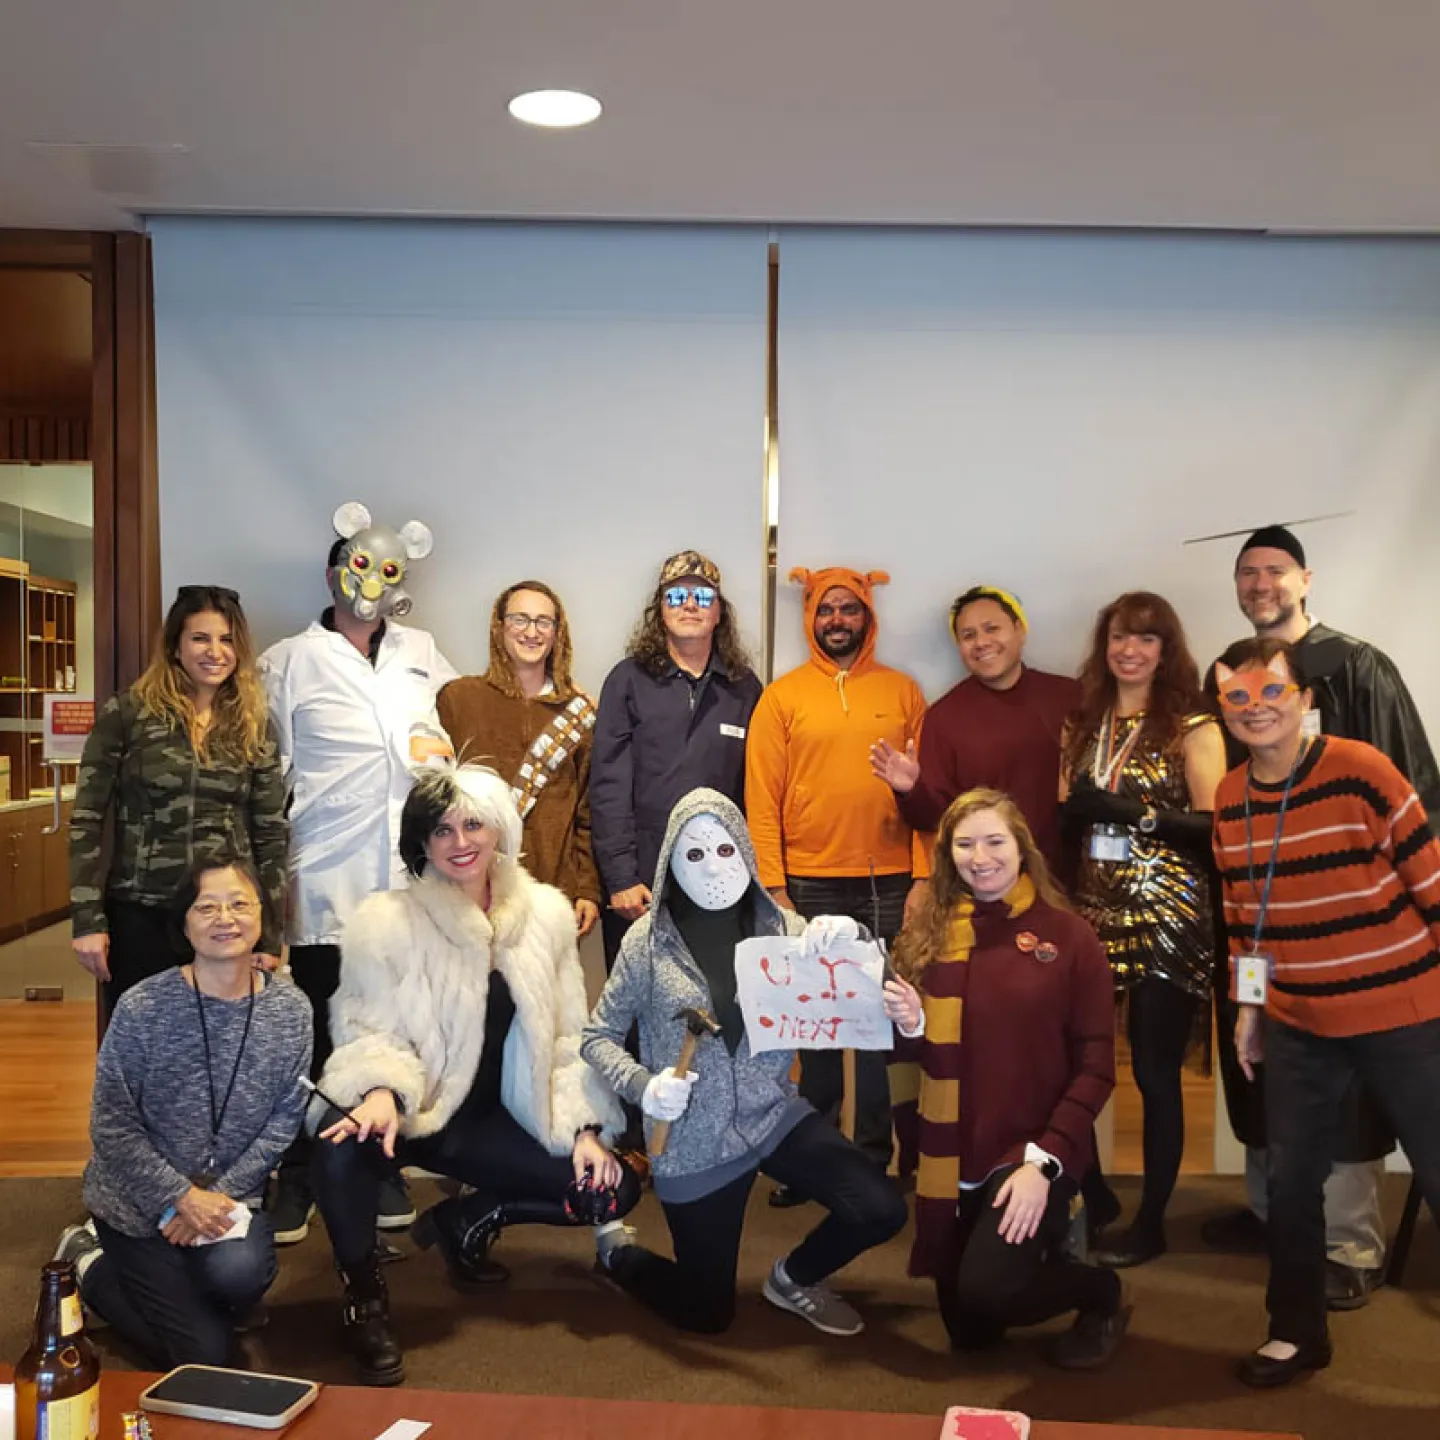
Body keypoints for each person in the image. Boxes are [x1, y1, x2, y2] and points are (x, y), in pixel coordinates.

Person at [309, 764, 638, 1386]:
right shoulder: (385, 921)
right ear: (421, 842)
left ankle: (465, 1222)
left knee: (609, 1190)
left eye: (473, 825)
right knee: (338, 1142)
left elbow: (568, 1036)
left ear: (498, 829)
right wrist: (379, 1089)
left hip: (491, 1120)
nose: (460, 842)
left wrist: (583, 1128)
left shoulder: (546, 916)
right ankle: (363, 1294)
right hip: (411, 1109)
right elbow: (363, 1029)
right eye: (441, 830)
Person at [1204, 524, 1440, 1311]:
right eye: (1247, 572)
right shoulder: (1233, 783)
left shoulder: (1358, 682)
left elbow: (1419, 818)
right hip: (1279, 946)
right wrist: (1248, 997)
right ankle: (1277, 1221)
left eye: (1275, 570)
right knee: (1273, 1087)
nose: (1260, 584)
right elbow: (1244, 905)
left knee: (1369, 1110)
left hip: (1377, 963)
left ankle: (1351, 1244)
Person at [581, 787, 907, 1336]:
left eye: (725, 849)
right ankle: (619, 1256)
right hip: (691, 1141)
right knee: (706, 1312)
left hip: (772, 1116)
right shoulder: (647, 943)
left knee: (881, 1208)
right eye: (694, 853)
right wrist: (643, 1085)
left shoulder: (782, 930)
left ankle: (792, 1278)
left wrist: (856, 940)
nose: (712, 866)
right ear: (670, 860)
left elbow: (874, 989)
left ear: (746, 852)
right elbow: (598, 1037)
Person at [258, 502, 457, 1242]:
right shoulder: (287, 661)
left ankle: (379, 1162)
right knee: (315, 1027)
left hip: (404, 878)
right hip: (321, 873)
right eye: (360, 566)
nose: (371, 583)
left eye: (387, 570)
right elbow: (264, 774)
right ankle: (304, 1170)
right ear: (334, 571)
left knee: (393, 1027)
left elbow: (455, 737)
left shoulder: (422, 651)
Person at [884, 789, 1124, 1368]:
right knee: (970, 1331)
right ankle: (1027, 1257)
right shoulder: (925, 939)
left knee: (989, 1291)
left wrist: (1044, 1163)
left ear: (1022, 848)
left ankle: (1101, 1292)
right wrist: (912, 1025)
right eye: (964, 844)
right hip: (952, 1157)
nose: (980, 857)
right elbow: (910, 1063)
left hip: (1032, 1152)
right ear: (948, 855)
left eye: (995, 841)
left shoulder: (1070, 938)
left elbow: (1097, 1068)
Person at [53, 858, 311, 1368]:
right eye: (206, 907)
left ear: (262, 916)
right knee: (205, 1357)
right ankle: (88, 1260)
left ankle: (184, 1289)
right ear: (184, 924)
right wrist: (179, 1197)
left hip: (226, 1201)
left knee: (239, 1274)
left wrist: (211, 1201)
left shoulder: (291, 1009)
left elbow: (284, 1119)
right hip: (136, 1204)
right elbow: (111, 1124)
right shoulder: (143, 1006)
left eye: (239, 904)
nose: (225, 918)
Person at [745, 565, 928, 1185]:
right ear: (810, 618)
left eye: (849, 608)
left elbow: (925, 792)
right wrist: (773, 887)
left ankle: (874, 1159)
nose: (838, 620)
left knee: (880, 1029)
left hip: (889, 882)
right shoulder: (782, 697)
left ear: (867, 615)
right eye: (826, 609)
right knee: (815, 1032)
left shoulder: (903, 693)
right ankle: (815, 1164)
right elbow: (761, 799)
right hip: (807, 883)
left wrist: (923, 877)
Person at [1058, 592, 1226, 1267]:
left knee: (1155, 1074)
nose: (1130, 650)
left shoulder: (1193, 724)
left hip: (1167, 912)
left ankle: (1151, 1221)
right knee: (1077, 1062)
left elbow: (1215, 829)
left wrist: (1135, 814)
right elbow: (1067, 811)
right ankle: (1095, 1197)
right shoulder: (1083, 723)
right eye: (1120, 637)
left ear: (1166, 650)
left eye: (1146, 639)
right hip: (1093, 908)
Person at [70, 586, 286, 1011]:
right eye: (200, 638)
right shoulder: (129, 714)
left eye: (226, 640)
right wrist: (86, 919)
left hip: (223, 918)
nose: (215, 652)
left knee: (220, 1038)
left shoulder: (254, 724)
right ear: (175, 645)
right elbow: (87, 819)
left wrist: (270, 933)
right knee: (142, 1036)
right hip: (141, 911)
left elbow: (271, 832)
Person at [590, 550, 762, 971]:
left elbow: (758, 791)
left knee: (716, 997)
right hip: (643, 884)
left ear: (719, 613)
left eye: (703, 597)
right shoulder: (627, 681)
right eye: (676, 596)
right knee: (639, 1002)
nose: (689, 606)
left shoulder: (744, 688)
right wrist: (621, 877)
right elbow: (608, 785)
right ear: (660, 609)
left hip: (722, 879)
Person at [872, 585, 1079, 879]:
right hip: (984, 883)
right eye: (968, 635)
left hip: (1067, 881)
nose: (981, 642)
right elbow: (934, 818)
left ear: (1020, 630)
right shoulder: (944, 717)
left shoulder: (1070, 698)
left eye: (992, 628)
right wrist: (911, 791)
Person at [437, 580, 601, 937]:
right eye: (519, 619)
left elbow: (589, 810)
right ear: (499, 627)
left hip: (552, 891)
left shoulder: (580, 712)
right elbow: (433, 802)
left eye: (544, 622)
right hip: (469, 891)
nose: (531, 632)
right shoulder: (459, 700)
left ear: (558, 633)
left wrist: (587, 889)